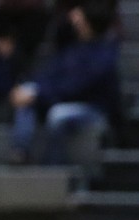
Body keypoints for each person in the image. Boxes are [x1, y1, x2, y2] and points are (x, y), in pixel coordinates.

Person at [9, 0, 119, 166]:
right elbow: (49, 74)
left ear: (88, 22)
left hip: (93, 107)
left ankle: (54, 165)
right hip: (61, 99)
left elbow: (76, 87)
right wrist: (30, 90)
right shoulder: (72, 49)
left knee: (57, 115)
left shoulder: (104, 53)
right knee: (27, 90)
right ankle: (20, 150)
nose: (74, 20)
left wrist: (39, 94)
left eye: (79, 18)